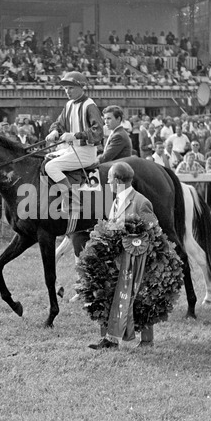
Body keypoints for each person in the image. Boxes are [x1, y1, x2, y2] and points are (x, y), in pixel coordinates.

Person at [89, 162, 158, 349]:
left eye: (110, 178)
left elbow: (154, 232)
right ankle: (109, 339)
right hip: (116, 259)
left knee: (140, 298)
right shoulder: (116, 200)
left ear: (118, 180)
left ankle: (147, 340)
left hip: (136, 261)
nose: (108, 182)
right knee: (109, 295)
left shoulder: (141, 202)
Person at [45, 71, 103, 213]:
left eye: (70, 88)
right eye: (65, 88)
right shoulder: (69, 105)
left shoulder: (90, 105)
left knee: (51, 167)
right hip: (71, 150)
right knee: (45, 158)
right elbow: (59, 123)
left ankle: (71, 199)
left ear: (81, 87)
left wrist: (76, 135)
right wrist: (54, 131)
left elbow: (98, 131)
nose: (67, 91)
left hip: (85, 152)